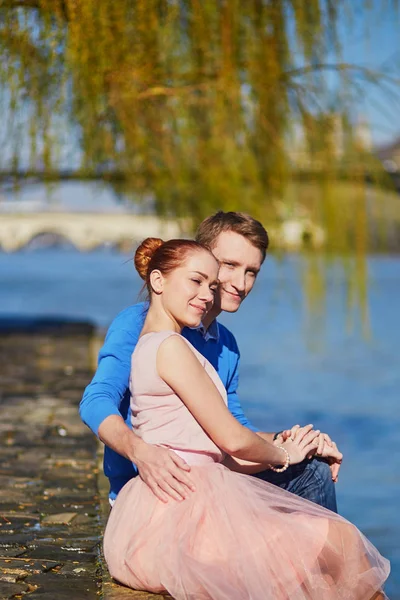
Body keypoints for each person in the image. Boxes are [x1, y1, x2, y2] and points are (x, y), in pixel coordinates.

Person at [103, 237, 389, 599]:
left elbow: (223, 444)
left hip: (168, 509)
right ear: (158, 282)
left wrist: (294, 440)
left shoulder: (164, 344)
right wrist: (288, 454)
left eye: (210, 285)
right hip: (181, 519)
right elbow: (233, 440)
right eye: (195, 281)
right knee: (341, 542)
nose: (207, 294)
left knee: (323, 550)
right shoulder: (170, 347)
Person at [80, 211, 342, 509]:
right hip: (153, 484)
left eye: (251, 271)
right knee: (312, 479)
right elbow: (96, 401)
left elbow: (233, 427)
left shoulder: (226, 345)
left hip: (210, 474)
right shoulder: (138, 324)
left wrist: (293, 440)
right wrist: (140, 452)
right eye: (229, 265)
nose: (240, 284)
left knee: (313, 468)